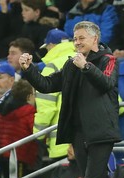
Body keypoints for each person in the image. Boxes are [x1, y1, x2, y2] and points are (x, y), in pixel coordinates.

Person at [19, 21, 121, 178]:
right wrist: (29, 68)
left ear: (95, 39)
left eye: (81, 38)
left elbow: (106, 84)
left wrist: (85, 66)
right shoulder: (71, 64)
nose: (77, 42)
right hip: (80, 134)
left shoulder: (109, 60)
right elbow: (47, 84)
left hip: (102, 133)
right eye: (75, 39)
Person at [33, 28, 75, 160]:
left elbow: (47, 108)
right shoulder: (88, 59)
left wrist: (37, 135)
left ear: (51, 45)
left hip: (63, 144)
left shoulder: (52, 67)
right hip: (91, 140)